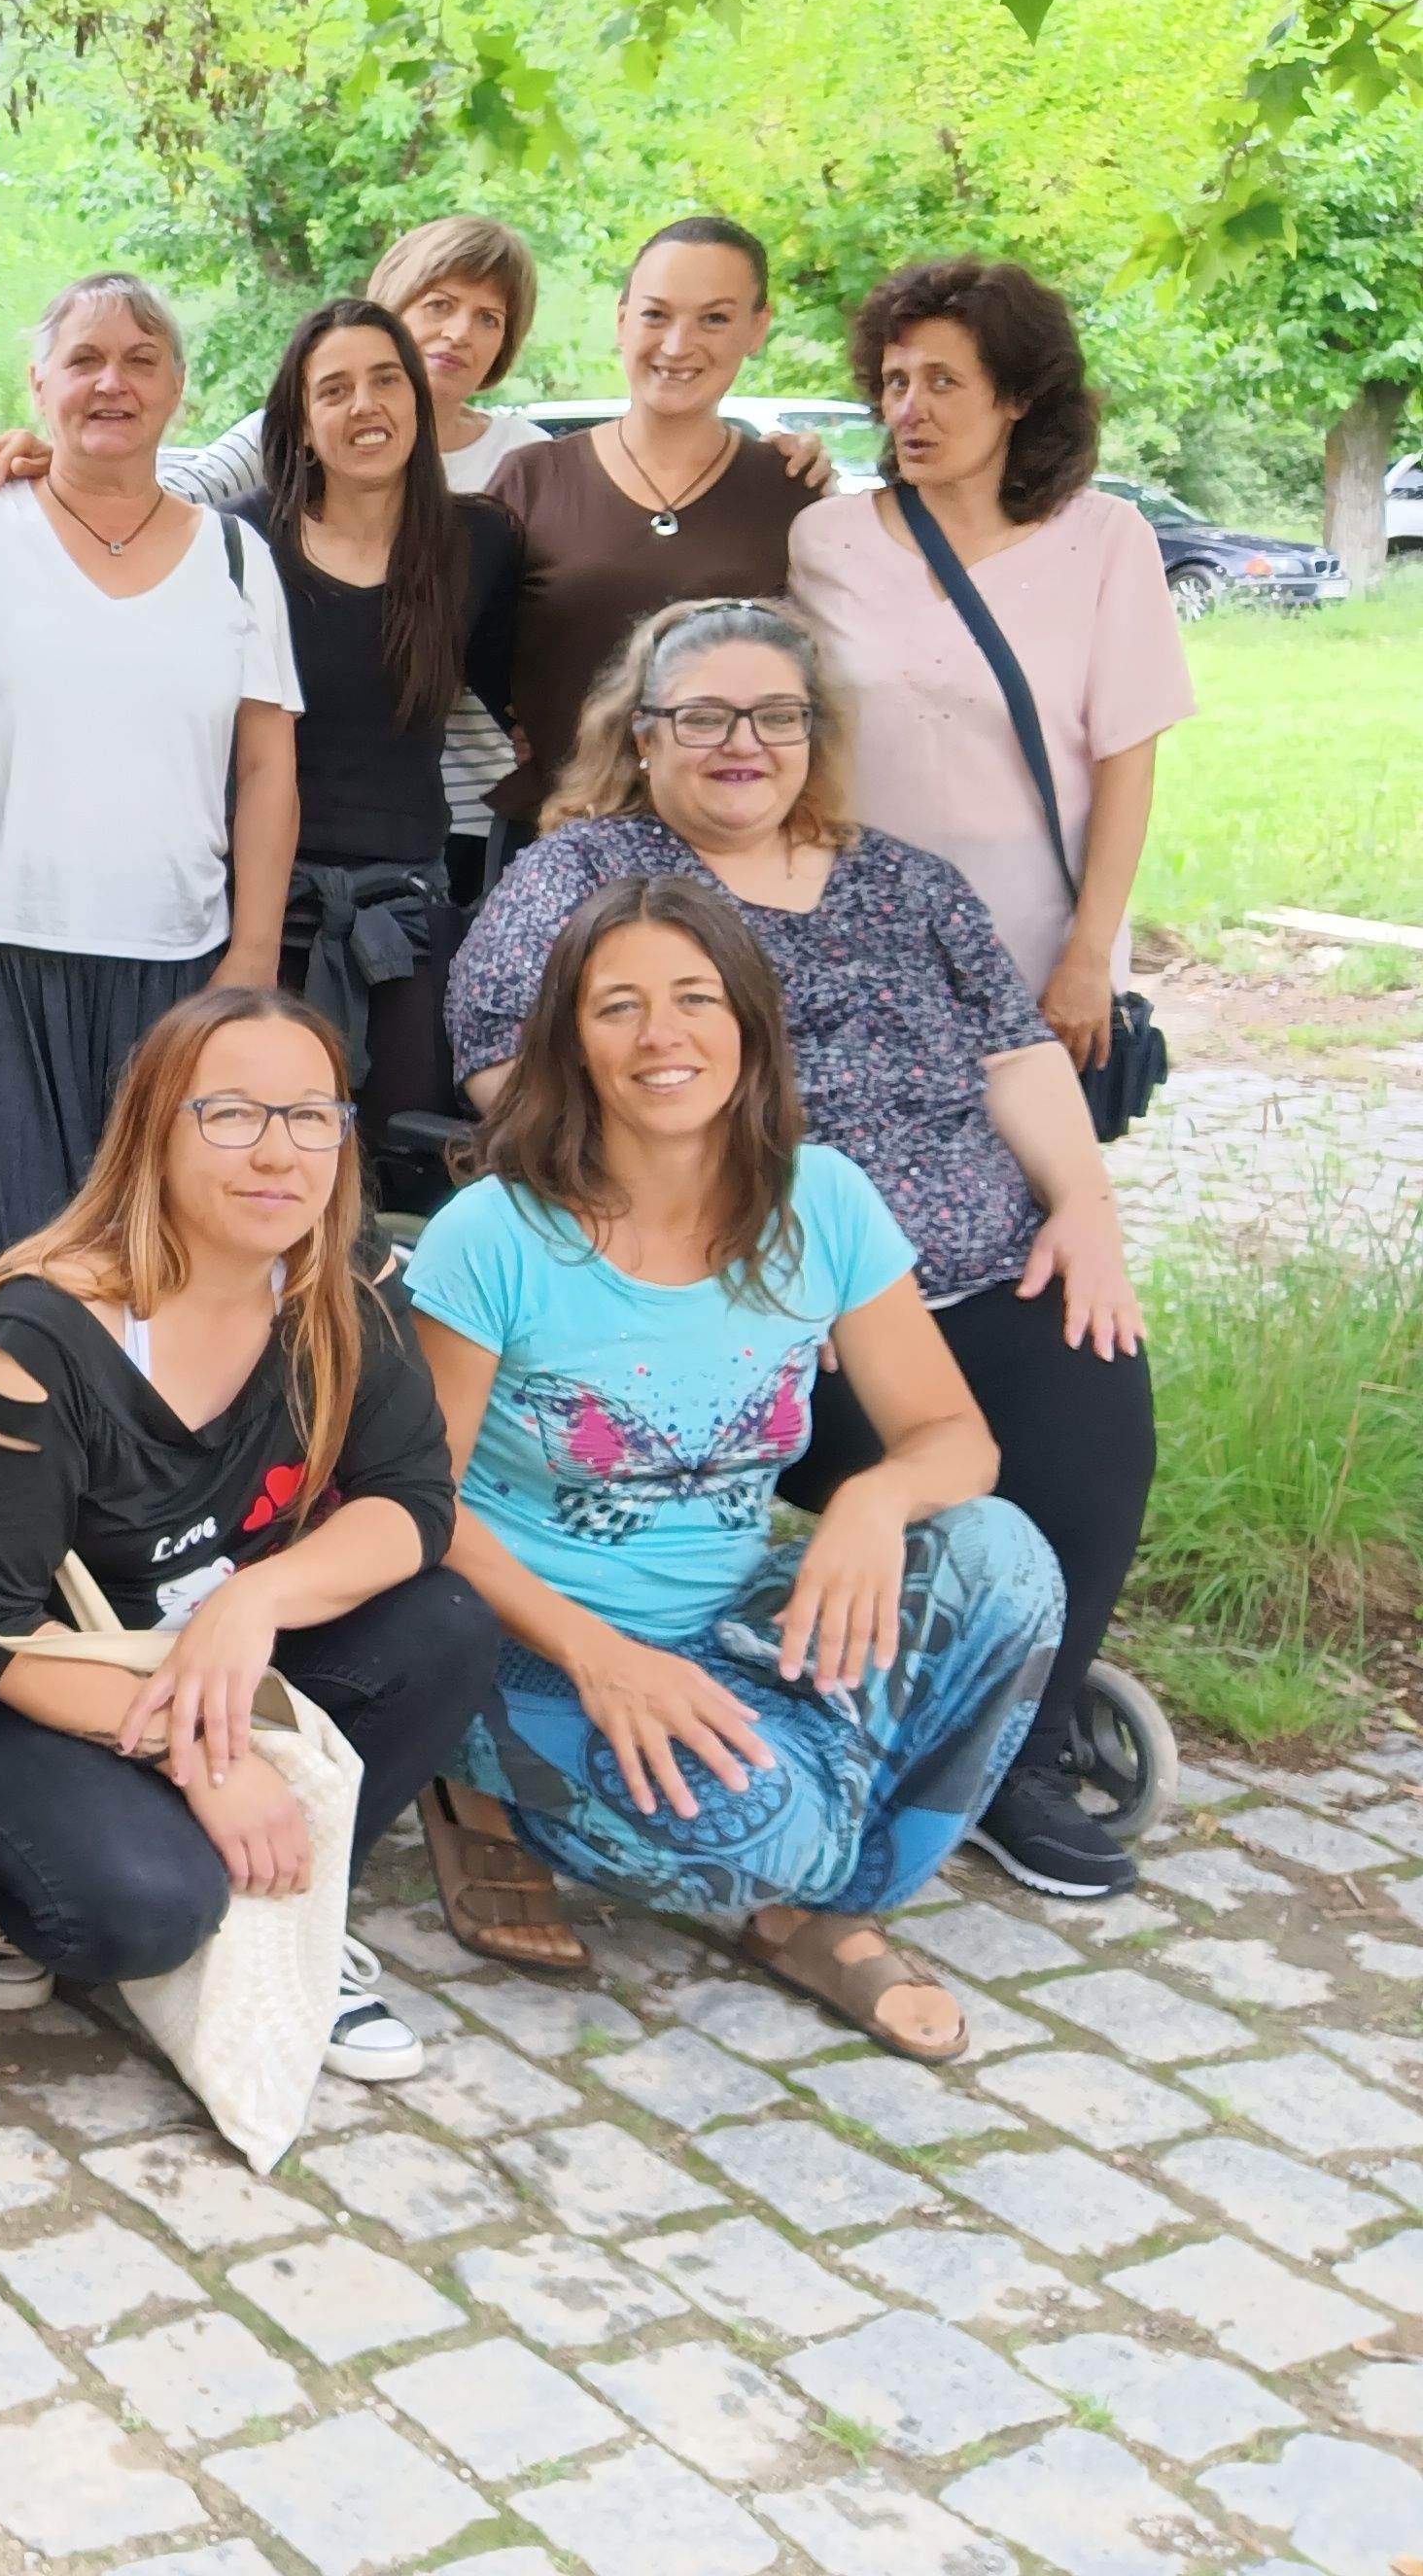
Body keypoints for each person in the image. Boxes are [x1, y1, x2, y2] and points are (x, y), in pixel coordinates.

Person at [451, 599, 1154, 1897]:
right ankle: (844, 1784)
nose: (743, 743)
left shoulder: (903, 877)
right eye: (703, 716)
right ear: (642, 735)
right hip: (752, 1276)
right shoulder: (583, 871)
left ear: (814, 736)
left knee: (1086, 1385)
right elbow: (507, 1054)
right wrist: (729, 1243)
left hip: (954, 1256)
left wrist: (1085, 1210)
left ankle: (1024, 1753)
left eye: (775, 716)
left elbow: (1014, 1051)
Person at [409, 876, 1059, 2058]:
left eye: (696, 997)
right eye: (619, 1008)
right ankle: (522, 1794)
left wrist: (873, 1497)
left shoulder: (825, 1202)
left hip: (735, 1616)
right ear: (571, 1042)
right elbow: (419, 1508)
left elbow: (956, 1440)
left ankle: (808, 1864)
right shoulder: (494, 1237)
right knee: (757, 1832)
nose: (663, 1036)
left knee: (1003, 1556)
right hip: (541, 1649)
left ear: (750, 1027)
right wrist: (599, 1656)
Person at [0, 987, 494, 2072]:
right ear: (154, 1130)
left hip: (178, 1635)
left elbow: (415, 1502)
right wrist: (207, 1759)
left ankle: (298, 1908)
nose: (275, 1151)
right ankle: (24, 1882)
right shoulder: (40, 1338)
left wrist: (256, 1600)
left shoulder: (349, 1286)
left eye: (309, 1115)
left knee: (448, 1624)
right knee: (138, 1913)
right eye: (230, 1113)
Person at [0, 215, 548, 894]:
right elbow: (159, 499)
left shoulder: (526, 464)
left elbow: (542, 634)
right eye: (438, 306)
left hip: (452, 834)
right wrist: (59, 460)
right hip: (275, 859)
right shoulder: (259, 502)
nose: (460, 331)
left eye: (488, 318)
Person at [0, 271, 301, 1374]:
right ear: (38, 382)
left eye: (141, 360)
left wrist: (249, 961)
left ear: (176, 391)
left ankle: (143, 1522)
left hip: (177, 967)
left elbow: (266, 768)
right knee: (1, 1270)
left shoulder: (234, 557)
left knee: (165, 1268)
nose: (111, 381)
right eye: (84, 359)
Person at [788, 258, 1193, 1054]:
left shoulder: (1106, 540)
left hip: (1038, 949)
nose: (911, 409)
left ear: (1016, 398)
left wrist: (1088, 955)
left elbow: (1127, 761)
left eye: (944, 382)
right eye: (896, 381)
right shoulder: (824, 540)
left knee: (1035, 1173)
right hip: (858, 949)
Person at [236, 300, 524, 1142]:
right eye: (335, 389)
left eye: (385, 380)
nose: (365, 405)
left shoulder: (479, 543)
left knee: (403, 1166)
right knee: (263, 1157)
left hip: (405, 918)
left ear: (416, 400)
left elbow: (527, 704)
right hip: (258, 915)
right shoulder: (240, 543)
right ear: (300, 420)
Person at [483, 218, 817, 832]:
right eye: (656, 315)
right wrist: (515, 721)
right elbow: (465, 640)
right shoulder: (532, 478)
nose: (676, 345)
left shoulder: (794, 491)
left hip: (737, 852)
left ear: (757, 328)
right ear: (621, 319)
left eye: (714, 319)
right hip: (559, 841)